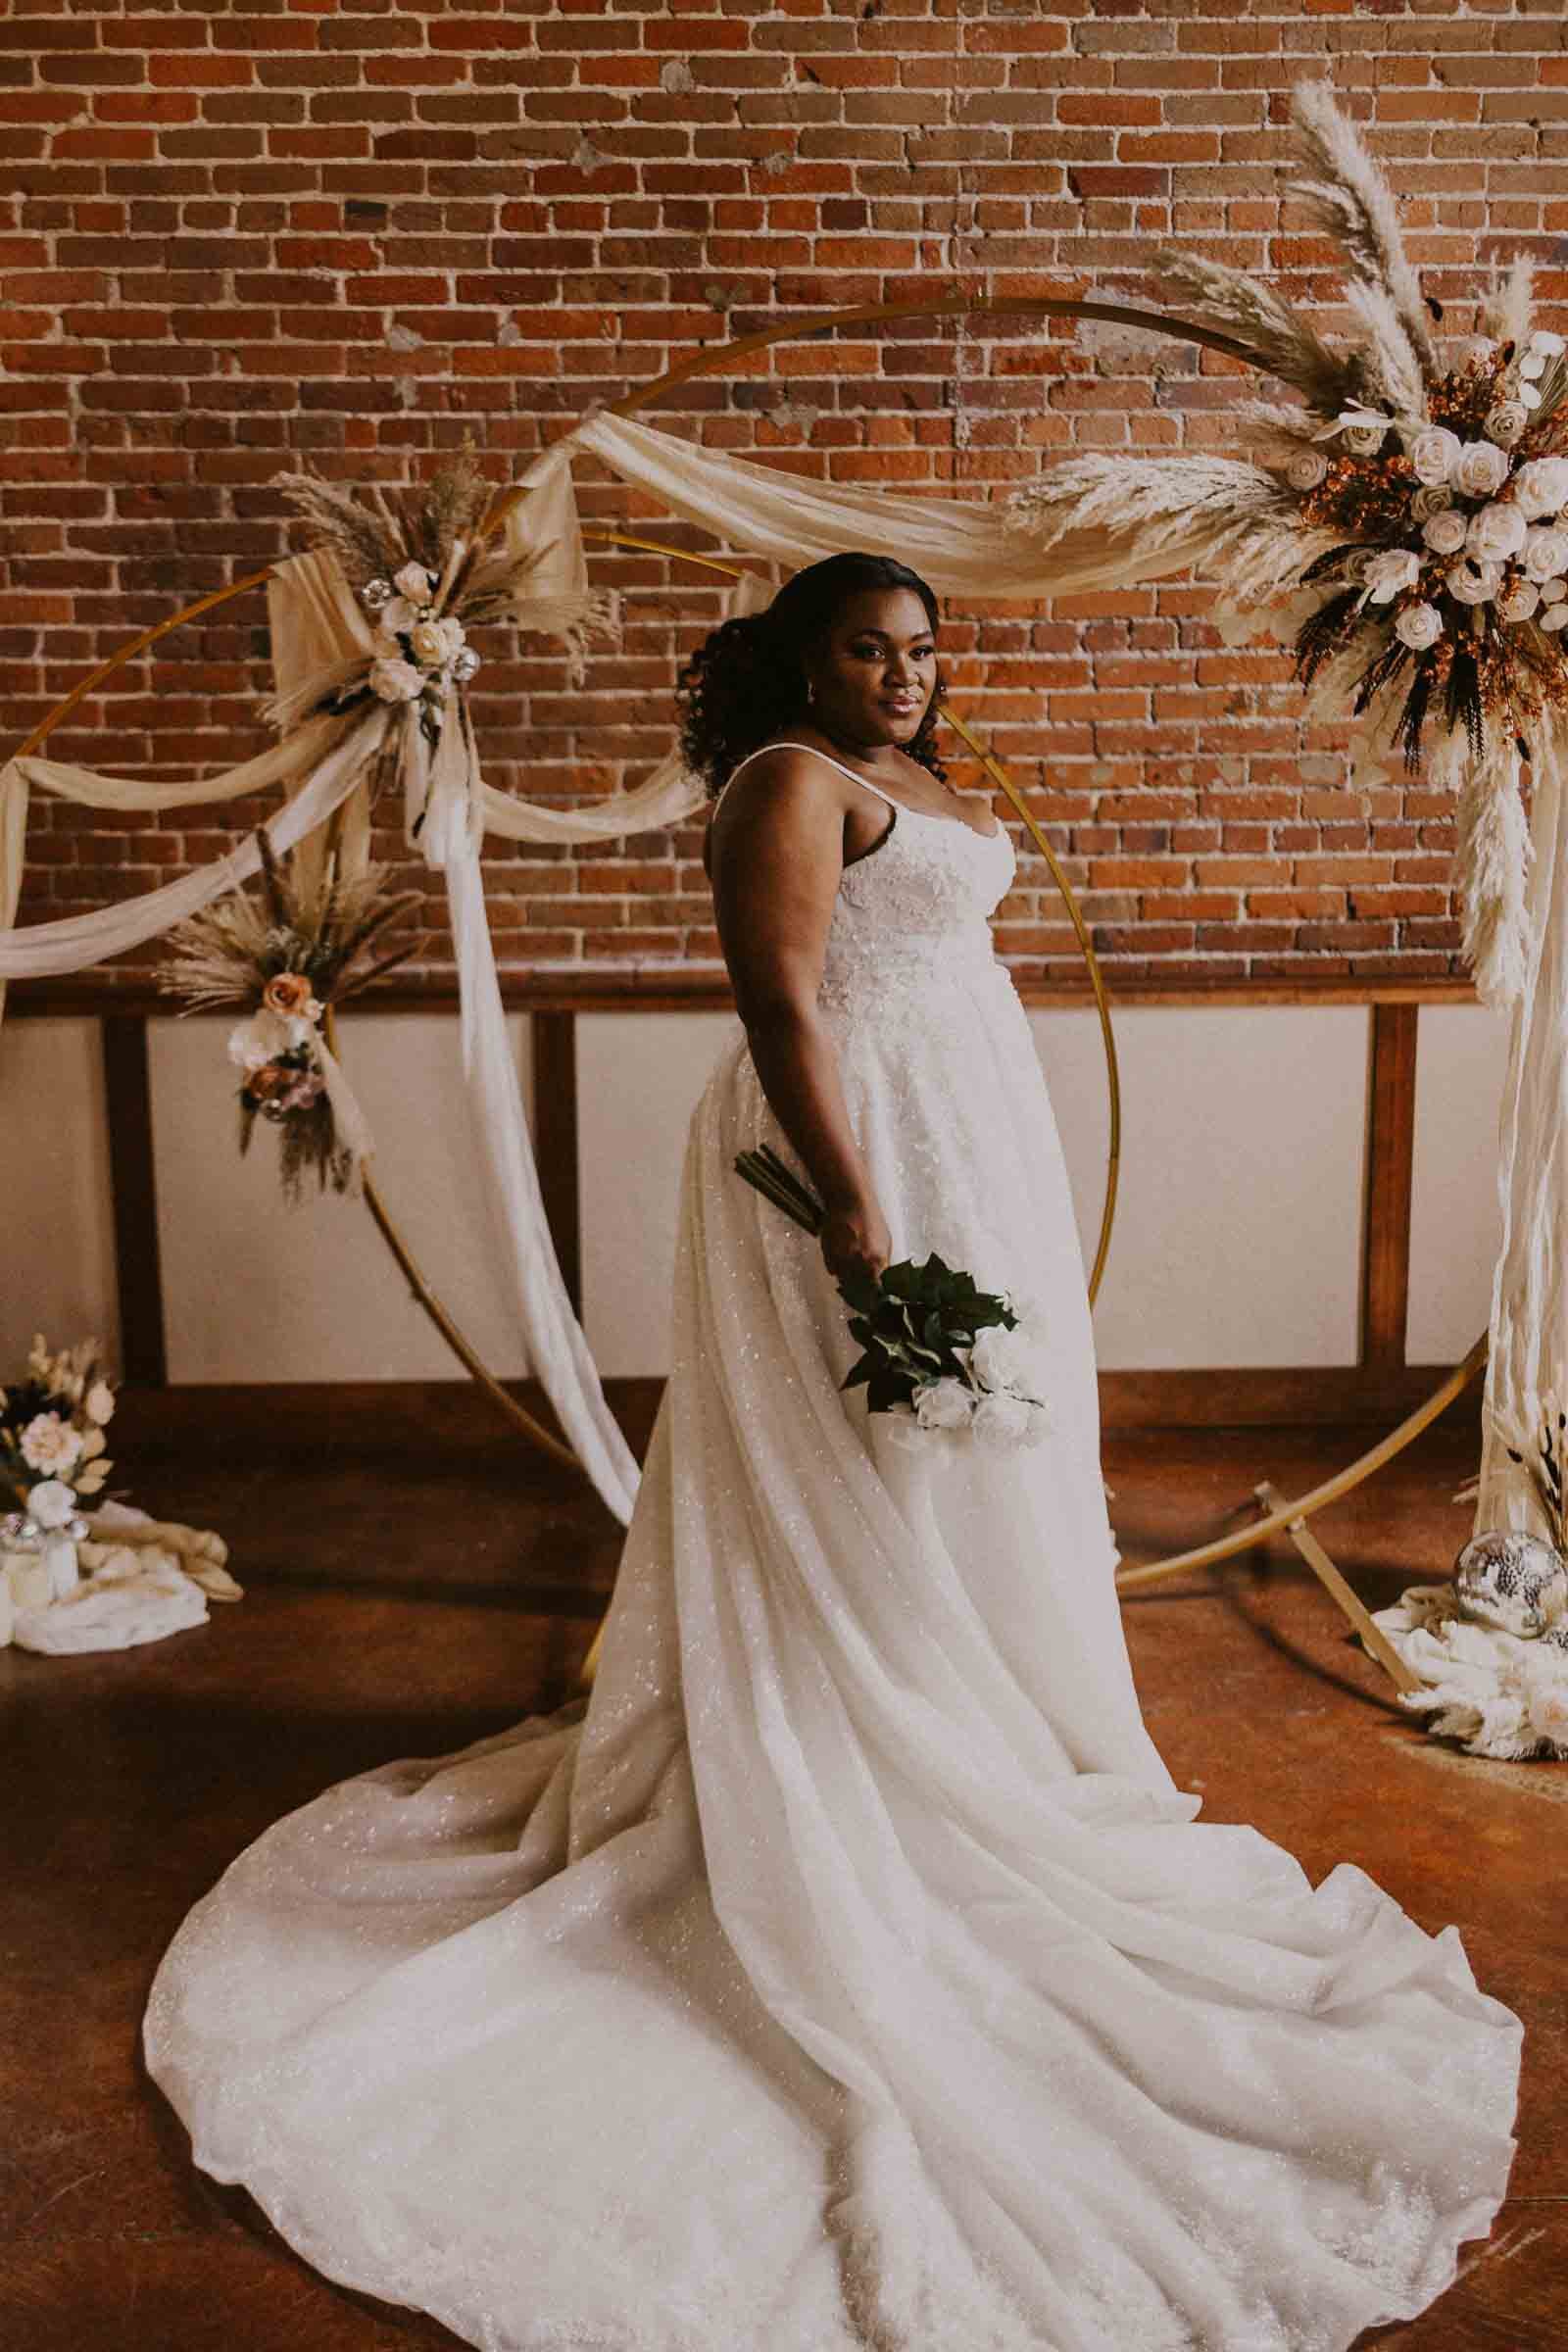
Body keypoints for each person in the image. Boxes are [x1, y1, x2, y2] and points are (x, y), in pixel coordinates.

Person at [144, 552, 1523, 2352]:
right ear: (806, 664)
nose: (904, 676)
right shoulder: (783, 785)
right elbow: (786, 998)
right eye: (868, 651)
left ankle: (991, 1726)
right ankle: (850, 1750)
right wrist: (861, 1222)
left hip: (972, 1139)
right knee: (863, 1479)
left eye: (923, 650)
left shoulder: (929, 781)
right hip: (853, 1165)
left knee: (979, 1473)